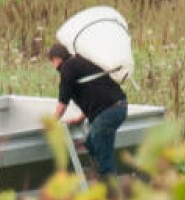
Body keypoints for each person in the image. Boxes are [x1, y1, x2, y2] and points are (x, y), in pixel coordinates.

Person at [48, 43, 128, 178]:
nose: (52, 66)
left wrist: (51, 122)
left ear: (56, 59)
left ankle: (111, 189)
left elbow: (62, 103)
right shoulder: (81, 63)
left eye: (51, 62)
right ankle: (98, 177)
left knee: (102, 154)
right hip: (118, 107)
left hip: (109, 111)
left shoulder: (67, 68)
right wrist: (81, 117)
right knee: (91, 144)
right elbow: (94, 93)